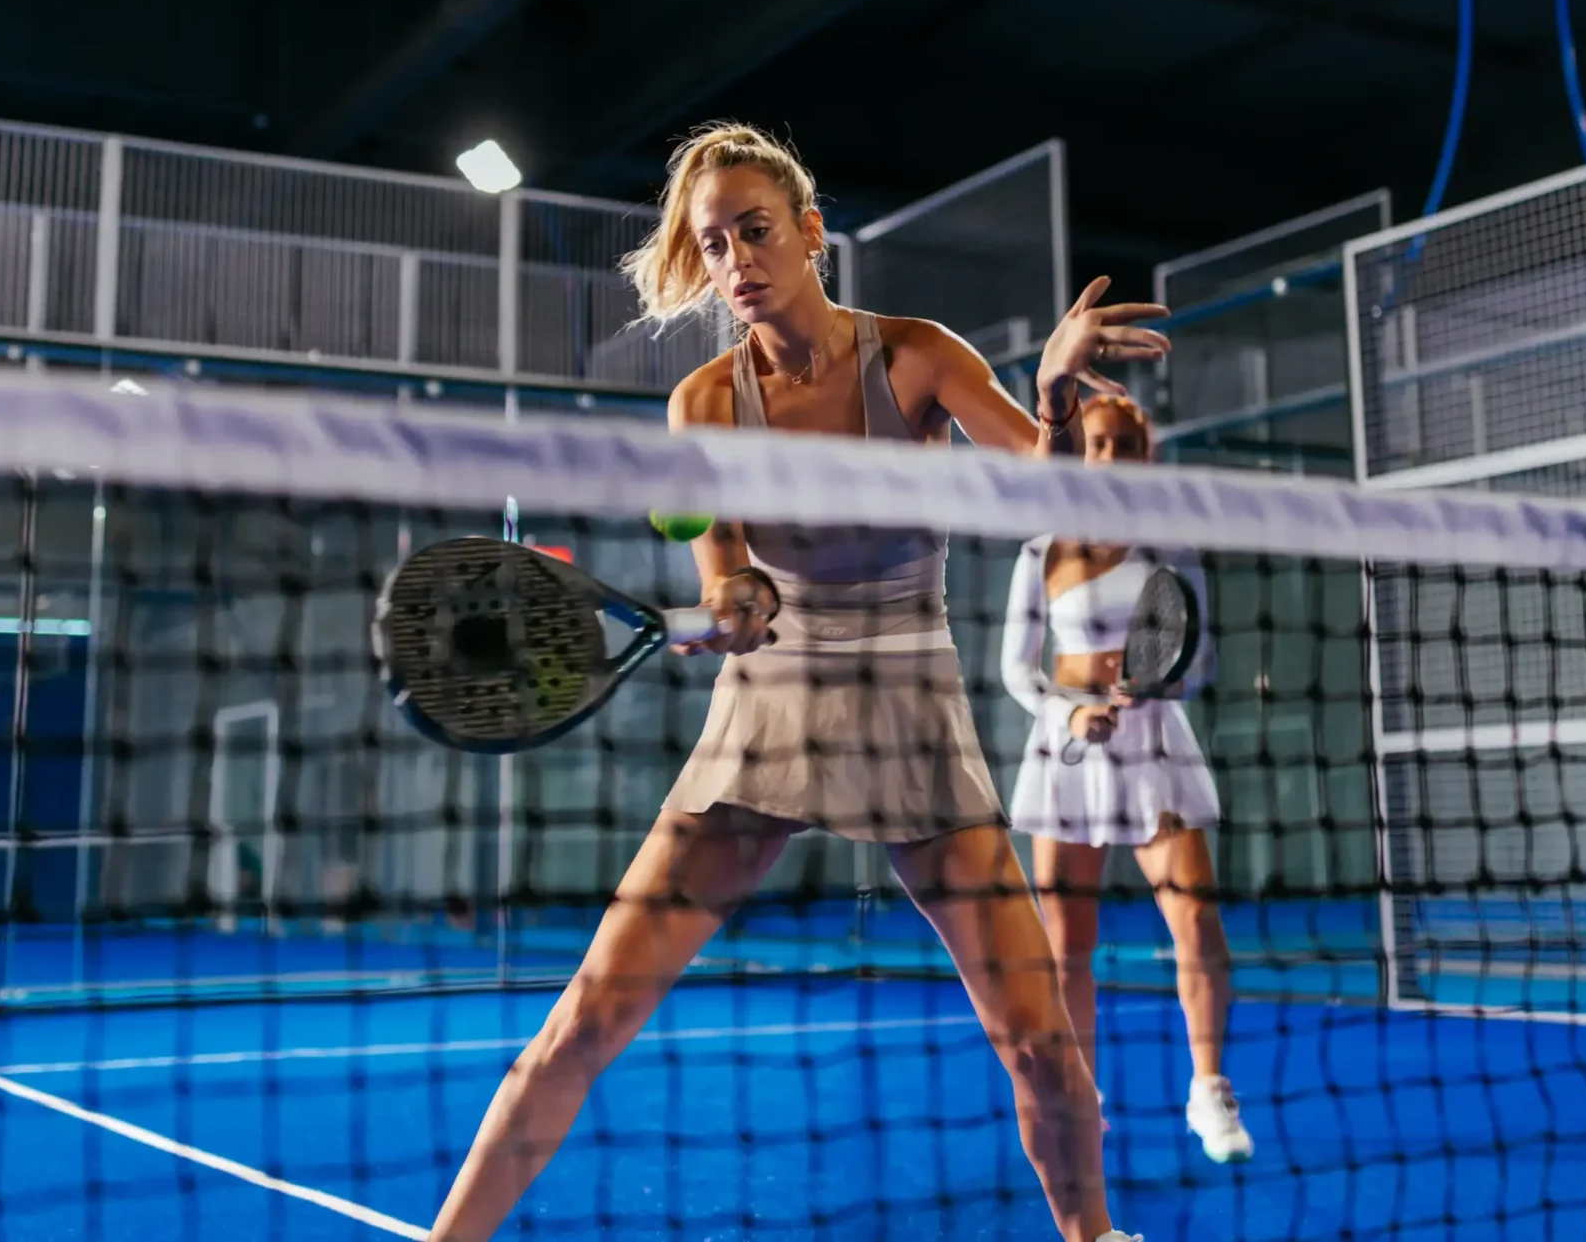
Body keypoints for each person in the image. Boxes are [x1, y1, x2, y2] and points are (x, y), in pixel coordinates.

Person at [424, 123, 1168, 1242]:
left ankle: (1096, 1236)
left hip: (909, 702)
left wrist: (1055, 393)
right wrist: (734, 603)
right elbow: (727, 571)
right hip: (766, 707)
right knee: (588, 1014)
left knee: (1038, 1039)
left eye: (755, 231)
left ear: (812, 234)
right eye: (713, 244)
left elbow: (1056, 492)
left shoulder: (916, 353)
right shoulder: (703, 404)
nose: (735, 262)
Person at [999, 394, 1251, 1165]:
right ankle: (1081, 1096)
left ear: (1146, 453)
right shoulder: (1042, 549)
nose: (1108, 454)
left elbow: (1197, 659)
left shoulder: (1172, 546)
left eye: (1124, 442)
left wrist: (1151, 688)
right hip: (1064, 749)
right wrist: (1069, 716)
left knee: (1198, 924)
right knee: (1066, 945)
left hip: (1154, 746)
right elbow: (1017, 668)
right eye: (1097, 442)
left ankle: (1208, 1088)